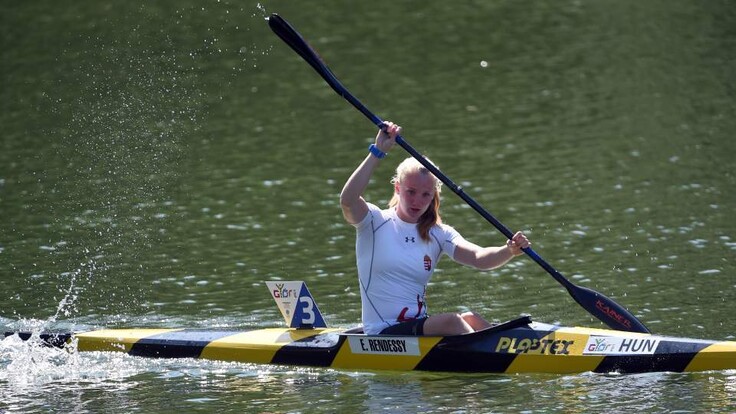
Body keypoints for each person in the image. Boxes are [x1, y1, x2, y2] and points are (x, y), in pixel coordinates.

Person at [339, 121, 531, 336]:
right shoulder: (373, 222)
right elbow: (348, 200)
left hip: (415, 328)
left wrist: (508, 250)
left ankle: (519, 348)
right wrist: (378, 152)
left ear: (433, 196)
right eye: (411, 192)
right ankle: (501, 357)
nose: (417, 201)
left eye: (425, 195)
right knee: (452, 322)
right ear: (397, 188)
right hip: (382, 333)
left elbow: (479, 257)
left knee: (471, 318)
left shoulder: (438, 234)